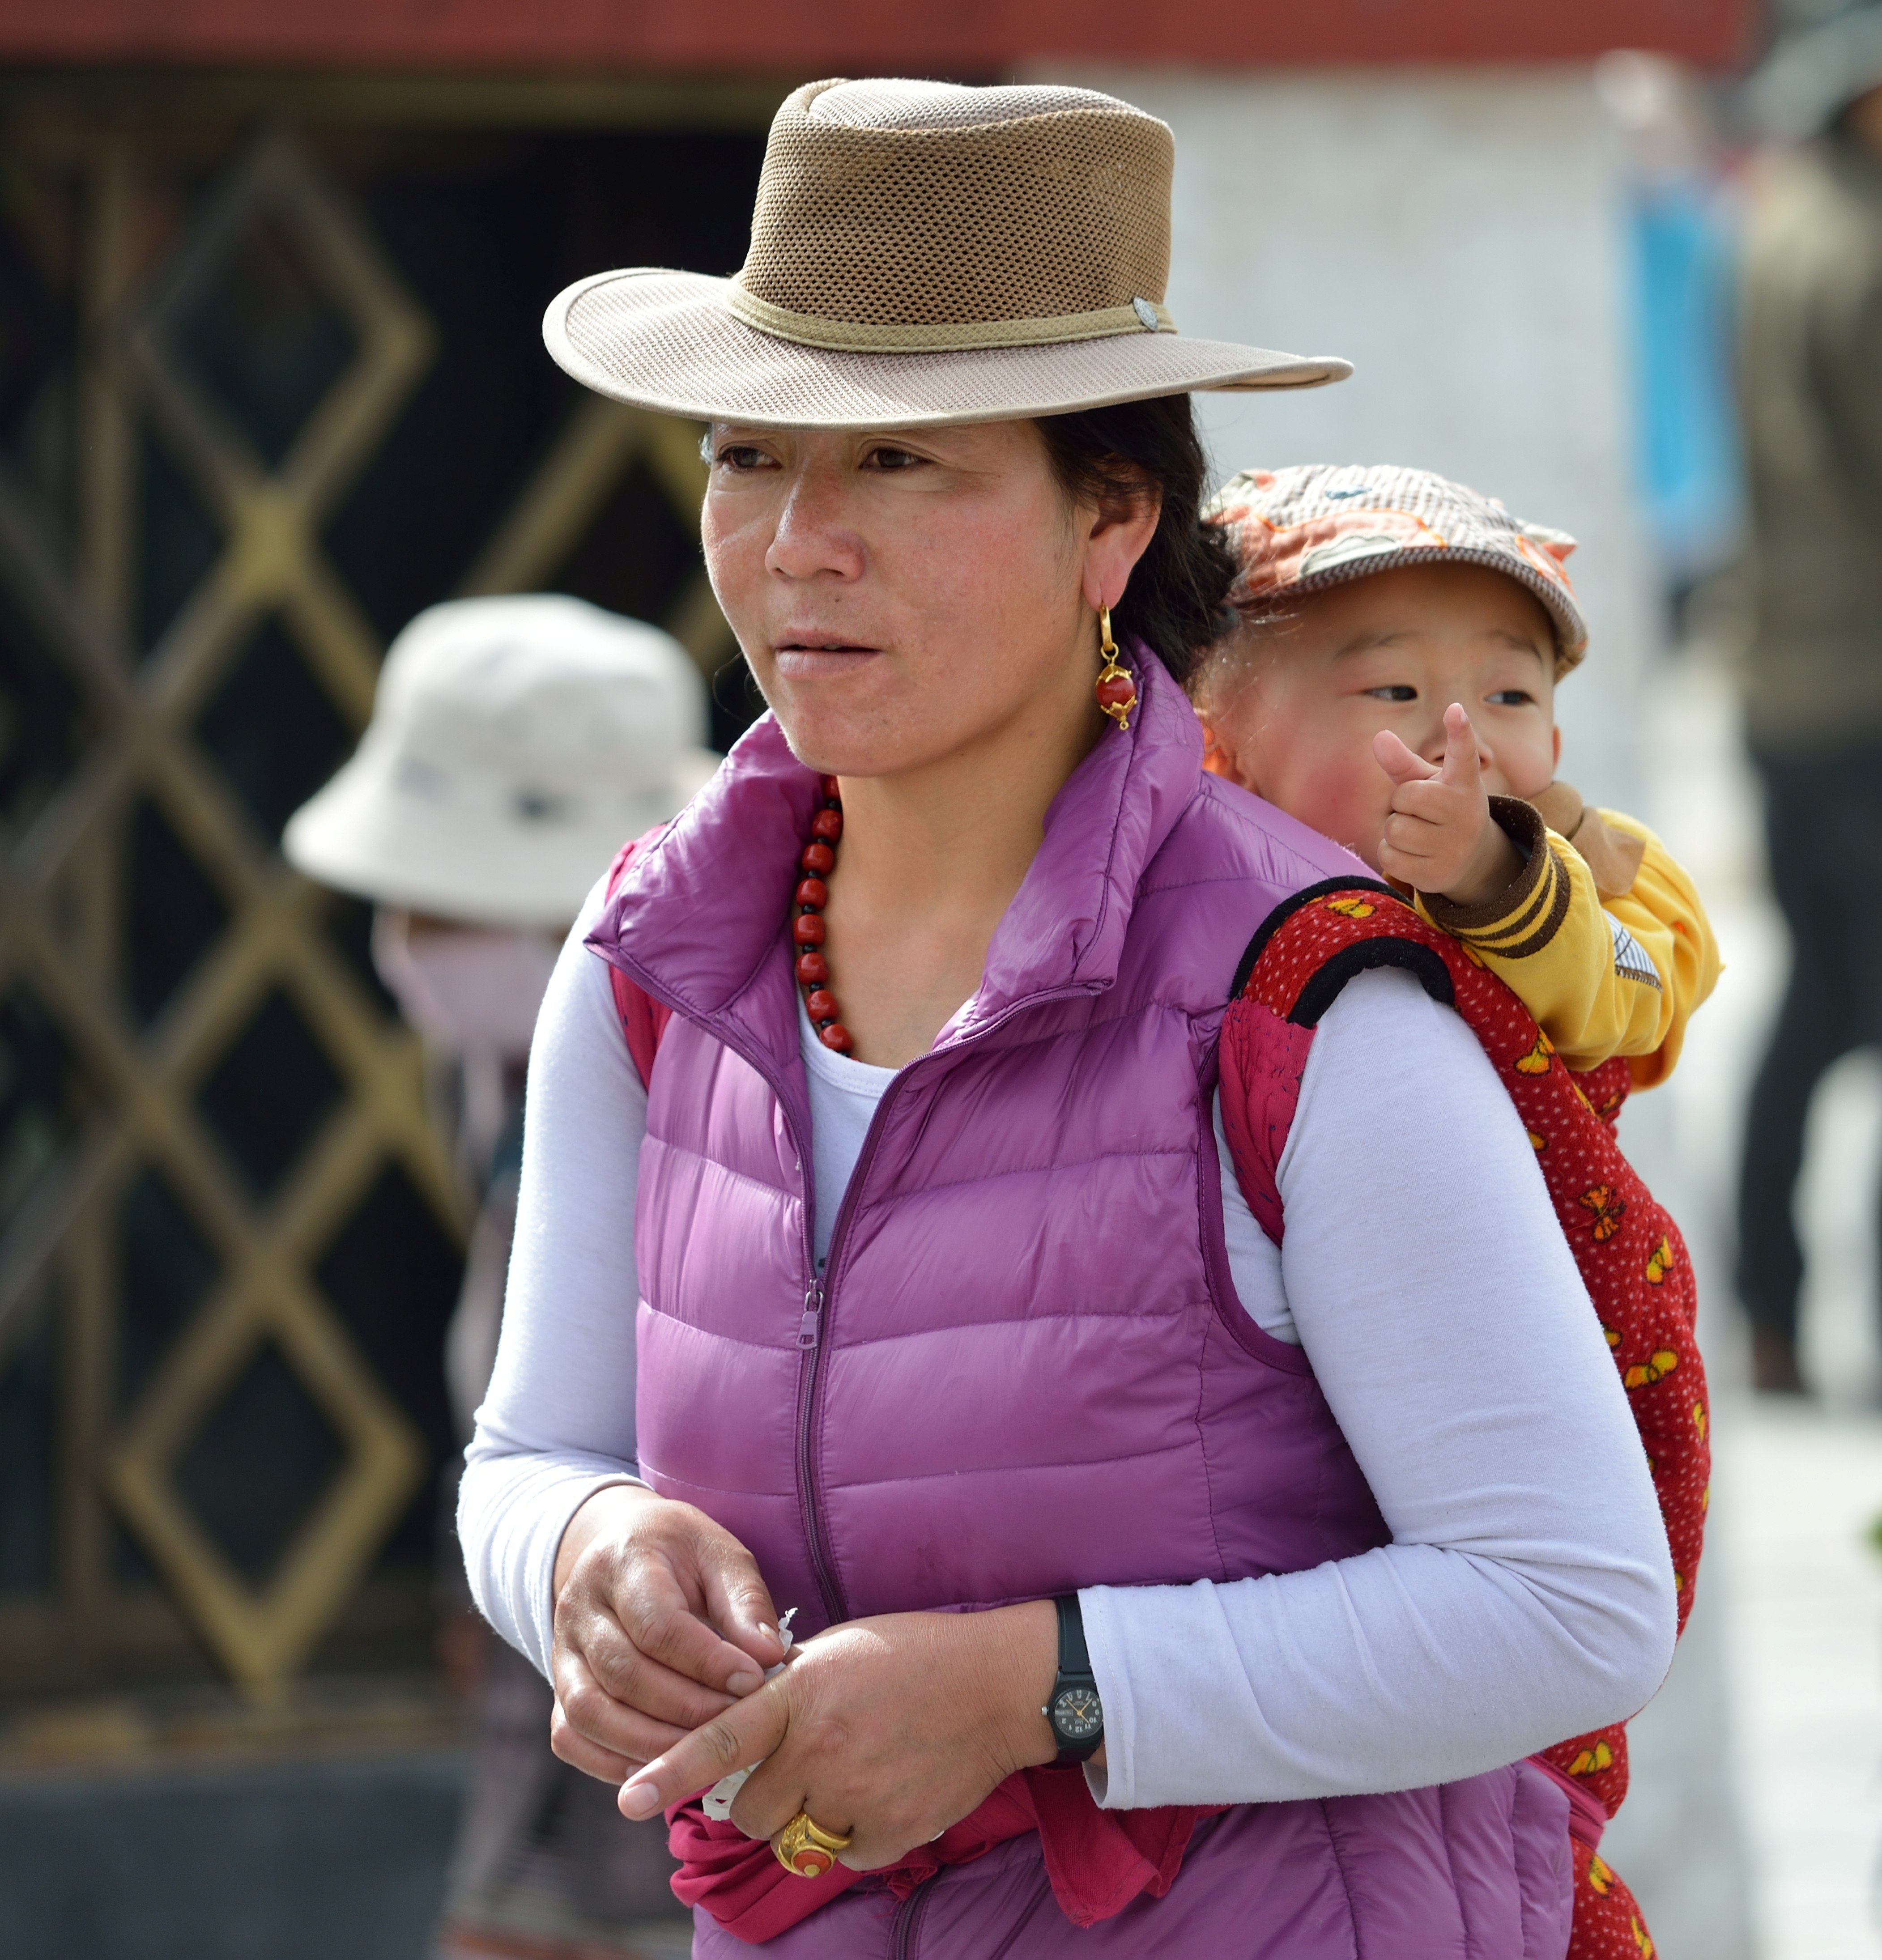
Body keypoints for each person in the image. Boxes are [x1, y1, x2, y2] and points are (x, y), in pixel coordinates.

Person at [460, 79, 1677, 1958]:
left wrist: (1050, 1687)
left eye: (900, 463)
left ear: (1112, 519)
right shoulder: (650, 965)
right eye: (746, 454)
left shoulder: (1303, 998)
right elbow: (528, 1454)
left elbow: (1570, 1598)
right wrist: (585, 1563)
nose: (796, 541)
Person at [284, 593, 719, 1960]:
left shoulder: (685, 1065)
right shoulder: (485, 1066)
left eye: (446, 906)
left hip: (677, 1600)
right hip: (540, 1573)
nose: (412, 938)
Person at [1197, 464, 1720, 1083]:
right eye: (1394, 689)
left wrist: (1497, 875)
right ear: (1224, 752)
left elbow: (1648, 996)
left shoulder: (1607, 864)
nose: (1463, 741)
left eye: (1508, 697)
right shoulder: (1199, 901)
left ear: (1553, 745)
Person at [1735, 4, 1882, 1394]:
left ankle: (1769, 1311)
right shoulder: (1862, 250)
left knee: (1817, 1006)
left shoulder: (1785, 222)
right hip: (1861, 690)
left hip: (1789, 680)